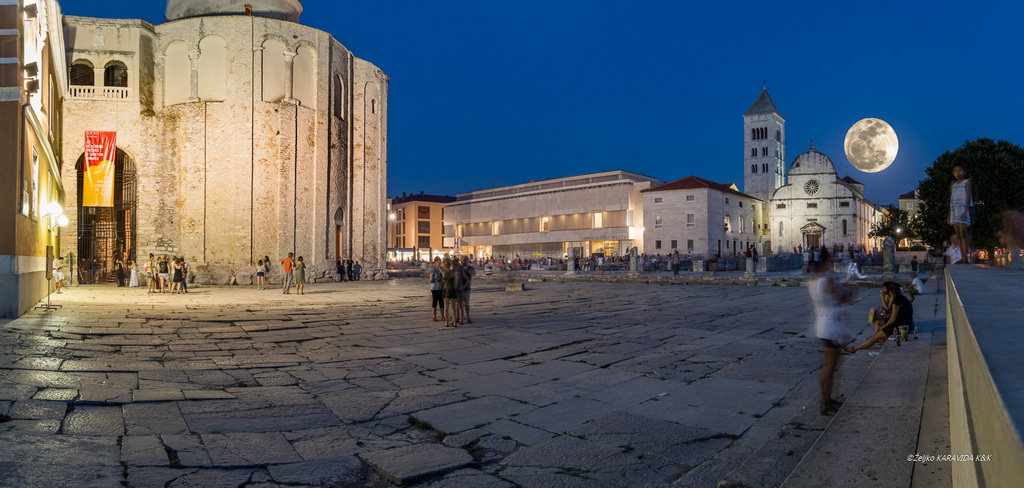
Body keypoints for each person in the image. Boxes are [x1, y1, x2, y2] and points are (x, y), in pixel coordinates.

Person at [809, 252, 854, 416]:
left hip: (823, 324)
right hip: (831, 327)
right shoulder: (827, 280)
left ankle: (828, 399)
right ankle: (825, 403)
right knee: (829, 367)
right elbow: (846, 297)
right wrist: (850, 286)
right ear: (826, 262)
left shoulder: (813, 280)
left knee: (832, 366)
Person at [847, 282, 913, 354]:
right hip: (902, 322)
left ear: (889, 290)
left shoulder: (897, 301)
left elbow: (893, 319)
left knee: (876, 336)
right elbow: (892, 315)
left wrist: (884, 327)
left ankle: (855, 348)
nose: (883, 289)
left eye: (884, 288)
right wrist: (881, 317)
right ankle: (880, 338)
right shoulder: (900, 298)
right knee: (879, 321)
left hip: (901, 326)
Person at [949, 161, 973, 264]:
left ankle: (965, 258)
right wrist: (950, 214)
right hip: (954, 209)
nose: (957, 173)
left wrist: (965, 210)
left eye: (960, 170)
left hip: (962, 208)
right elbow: (951, 199)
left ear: (964, 171)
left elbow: (968, 197)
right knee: (958, 235)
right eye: (955, 171)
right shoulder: (953, 185)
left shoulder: (966, 182)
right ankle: (961, 256)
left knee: (963, 233)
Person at [460, 256, 474, 324]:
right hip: (459, 287)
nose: (463, 261)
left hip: (467, 287)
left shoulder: (470, 268)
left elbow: (473, 274)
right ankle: (459, 317)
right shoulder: (459, 267)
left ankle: (467, 317)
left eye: (464, 260)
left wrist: (466, 270)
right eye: (462, 260)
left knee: (466, 303)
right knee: (459, 304)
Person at [428, 258, 443, 322]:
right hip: (435, 288)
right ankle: (434, 316)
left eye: (440, 261)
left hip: (441, 288)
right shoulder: (433, 270)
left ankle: (443, 316)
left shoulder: (442, 269)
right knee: (435, 301)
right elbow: (431, 280)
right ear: (435, 262)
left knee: (441, 302)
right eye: (438, 261)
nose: (440, 262)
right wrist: (436, 279)